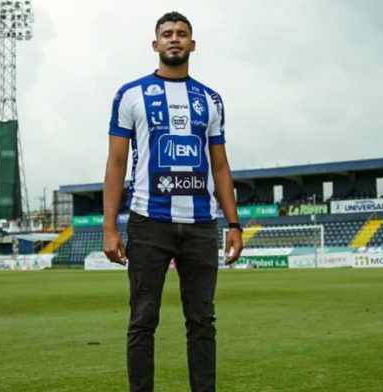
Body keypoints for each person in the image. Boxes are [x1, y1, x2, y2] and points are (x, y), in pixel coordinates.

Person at [102, 11, 244, 392]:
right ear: (156, 44)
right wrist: (110, 226)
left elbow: (220, 165)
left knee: (202, 321)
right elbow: (116, 163)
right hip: (149, 222)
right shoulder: (131, 94)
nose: (175, 39)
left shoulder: (210, 99)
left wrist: (233, 224)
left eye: (182, 34)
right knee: (143, 319)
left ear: (193, 44)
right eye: (167, 34)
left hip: (200, 225)